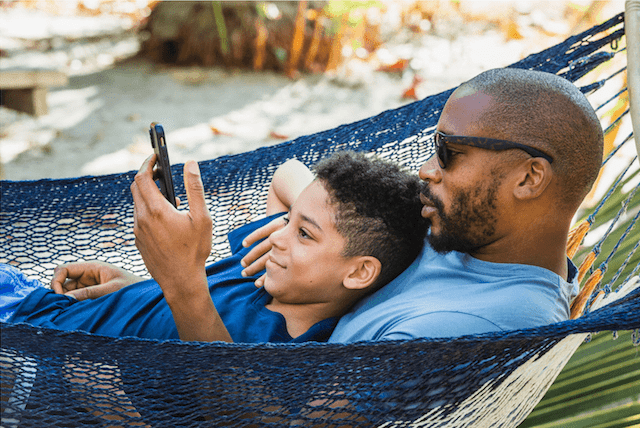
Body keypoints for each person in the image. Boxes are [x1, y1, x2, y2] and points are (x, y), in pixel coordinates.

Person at [241, 68, 604, 342]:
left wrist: (185, 285)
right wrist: (303, 230)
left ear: (528, 178)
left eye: (449, 152)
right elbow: (297, 181)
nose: (426, 169)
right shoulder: (459, 223)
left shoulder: (483, 326)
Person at [0, 151, 428, 343]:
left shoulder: (275, 352)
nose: (278, 235)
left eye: (304, 234)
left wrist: (179, 279)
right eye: (289, 220)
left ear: (357, 272)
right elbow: (287, 173)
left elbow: (222, 400)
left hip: (29, 352)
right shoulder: (263, 267)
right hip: (34, 302)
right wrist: (142, 289)